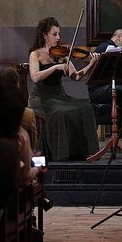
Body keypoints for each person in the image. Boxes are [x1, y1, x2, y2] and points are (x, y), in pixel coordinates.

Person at [28, 17, 100, 161]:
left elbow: (76, 77)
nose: (59, 38)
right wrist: (55, 67)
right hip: (41, 98)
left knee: (85, 108)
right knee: (60, 113)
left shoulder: (62, 55)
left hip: (60, 96)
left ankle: (84, 151)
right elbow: (35, 77)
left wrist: (91, 64)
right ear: (44, 35)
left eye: (59, 34)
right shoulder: (35, 54)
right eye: (54, 34)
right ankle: (62, 154)